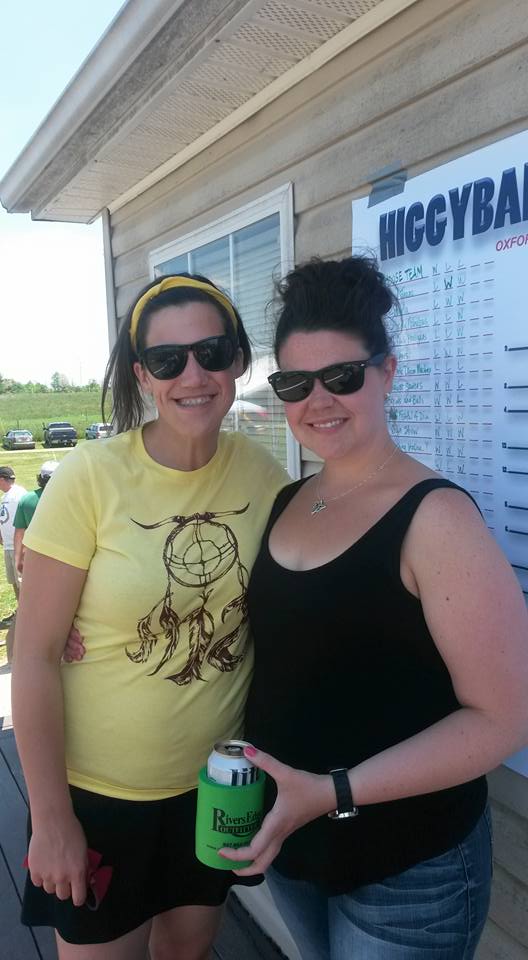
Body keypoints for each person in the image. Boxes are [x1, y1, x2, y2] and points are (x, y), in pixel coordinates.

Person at [220, 257, 528, 960]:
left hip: (408, 868)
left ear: (387, 372)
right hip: (293, 845)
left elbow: (504, 717)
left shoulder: (436, 518)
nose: (318, 399)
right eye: (295, 383)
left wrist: (332, 791)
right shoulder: (288, 500)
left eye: (342, 376)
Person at [12, 274, 287, 960]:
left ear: (238, 361)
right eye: (167, 360)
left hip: (214, 786)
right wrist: (50, 817)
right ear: (143, 375)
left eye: (211, 352)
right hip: (98, 796)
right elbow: (35, 651)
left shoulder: (264, 477)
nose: (192, 375)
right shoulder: (90, 476)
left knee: (188, 950)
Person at [13, 460, 60, 576]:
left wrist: (18, 559)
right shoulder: (70, 498)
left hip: (34, 556)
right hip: (63, 556)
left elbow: (19, 534)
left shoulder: (26, 499)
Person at [0, 465, 26, 620]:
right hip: (8, 546)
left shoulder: (19, 494)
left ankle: (27, 613)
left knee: (22, 581)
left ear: (2, 479)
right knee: (14, 582)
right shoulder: (5, 497)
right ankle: (20, 610)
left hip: (18, 546)